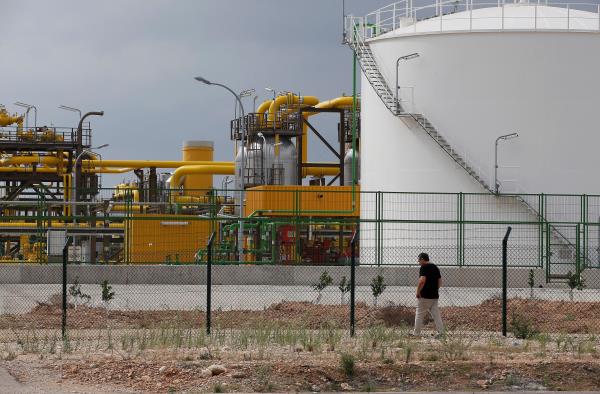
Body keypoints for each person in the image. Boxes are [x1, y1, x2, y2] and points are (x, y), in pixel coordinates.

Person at [412, 252, 444, 337]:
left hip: (424, 296)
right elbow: (440, 283)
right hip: (434, 296)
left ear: (422, 259)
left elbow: (422, 281)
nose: (418, 262)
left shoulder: (424, 267)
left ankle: (416, 333)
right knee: (436, 315)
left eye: (419, 260)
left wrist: (418, 291)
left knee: (419, 314)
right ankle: (441, 333)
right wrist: (434, 289)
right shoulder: (435, 267)